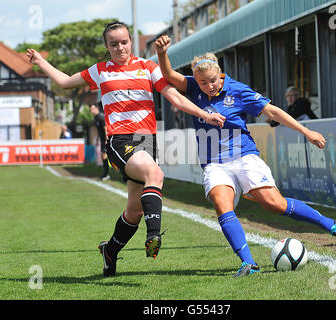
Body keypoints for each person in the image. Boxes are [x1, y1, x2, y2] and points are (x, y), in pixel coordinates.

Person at [27, 21, 225, 277]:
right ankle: (153, 236)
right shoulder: (100, 71)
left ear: (131, 42)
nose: (120, 47)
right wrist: (41, 61)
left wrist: (203, 114)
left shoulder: (148, 68)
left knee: (135, 210)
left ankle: (109, 251)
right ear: (107, 47)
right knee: (156, 175)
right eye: (113, 44)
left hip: (146, 140)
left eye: (124, 42)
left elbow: (174, 96)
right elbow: (65, 82)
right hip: (120, 140)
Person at [155, 35, 336, 277]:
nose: (208, 86)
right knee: (222, 204)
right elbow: (168, 75)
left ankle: (331, 225)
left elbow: (271, 111)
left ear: (220, 75)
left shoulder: (237, 90)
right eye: (202, 83)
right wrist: (162, 53)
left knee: (275, 204)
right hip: (214, 164)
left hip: (244, 156)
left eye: (212, 81)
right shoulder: (193, 87)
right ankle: (248, 263)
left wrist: (306, 131)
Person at [89, 103, 110, 181]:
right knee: (103, 156)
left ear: (97, 108)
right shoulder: (96, 118)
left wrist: (106, 138)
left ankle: (106, 174)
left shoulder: (101, 117)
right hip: (101, 139)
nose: (92, 111)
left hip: (105, 139)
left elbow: (105, 128)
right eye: (91, 110)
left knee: (104, 156)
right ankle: (105, 173)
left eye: (93, 109)